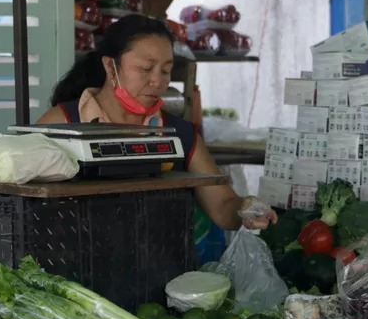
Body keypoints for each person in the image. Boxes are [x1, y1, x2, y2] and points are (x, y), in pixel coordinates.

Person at [37, 14, 277, 232]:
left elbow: (223, 205)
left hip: (158, 267)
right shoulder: (62, 124)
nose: (157, 81)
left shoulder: (180, 136)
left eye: (165, 71)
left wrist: (244, 208)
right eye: (145, 68)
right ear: (110, 67)